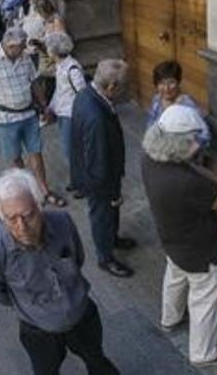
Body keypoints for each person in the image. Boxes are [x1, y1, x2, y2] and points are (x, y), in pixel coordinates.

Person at [0, 169, 119, 375]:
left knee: (97, 361)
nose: (22, 227)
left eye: (28, 216)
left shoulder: (63, 222)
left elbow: (78, 258)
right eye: (11, 219)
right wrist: (30, 305)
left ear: (39, 206)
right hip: (38, 330)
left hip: (81, 316)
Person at [141, 105, 217, 367]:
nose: (198, 144)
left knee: (174, 276)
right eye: (193, 140)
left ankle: (170, 319)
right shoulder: (188, 184)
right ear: (176, 143)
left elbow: (189, 167)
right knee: (205, 299)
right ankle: (204, 353)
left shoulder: (150, 156)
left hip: (171, 239)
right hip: (200, 249)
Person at [0, 27, 62, 205]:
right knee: (15, 158)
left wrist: (44, 105)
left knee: (36, 153)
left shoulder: (24, 57)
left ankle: (44, 191)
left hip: (28, 114)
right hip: (5, 118)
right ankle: (28, 192)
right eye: (21, 46)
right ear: (9, 45)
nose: (24, 50)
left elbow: (34, 82)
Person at [70, 59, 136, 278]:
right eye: (123, 86)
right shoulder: (96, 116)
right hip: (100, 180)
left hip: (100, 172)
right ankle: (105, 258)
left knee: (108, 214)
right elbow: (97, 159)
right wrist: (111, 192)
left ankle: (112, 238)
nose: (125, 90)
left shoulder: (86, 94)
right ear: (111, 87)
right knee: (102, 214)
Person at [43, 31, 88, 197]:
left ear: (54, 50)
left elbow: (82, 94)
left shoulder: (72, 69)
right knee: (69, 150)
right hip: (63, 113)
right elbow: (60, 91)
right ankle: (77, 179)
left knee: (74, 151)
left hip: (71, 115)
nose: (47, 50)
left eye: (48, 47)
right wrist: (51, 107)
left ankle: (84, 183)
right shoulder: (60, 66)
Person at [145, 60, 211, 154]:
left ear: (178, 82)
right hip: (159, 152)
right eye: (162, 83)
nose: (167, 88)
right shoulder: (157, 100)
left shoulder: (187, 104)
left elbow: (205, 134)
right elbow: (150, 126)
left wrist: (187, 153)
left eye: (171, 82)